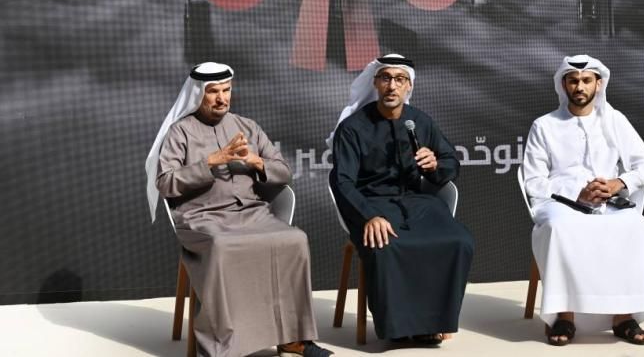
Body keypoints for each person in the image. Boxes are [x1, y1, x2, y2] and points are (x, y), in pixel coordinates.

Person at [144, 62, 331, 357]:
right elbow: (165, 183)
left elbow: (284, 172)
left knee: (295, 239)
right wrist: (210, 162)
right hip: (202, 218)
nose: (222, 98)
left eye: (227, 90)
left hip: (252, 214)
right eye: (213, 92)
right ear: (198, 94)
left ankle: (294, 338)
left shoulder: (248, 126)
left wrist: (255, 161)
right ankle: (223, 347)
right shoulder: (180, 132)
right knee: (222, 246)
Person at [327, 54, 474, 344]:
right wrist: (369, 216)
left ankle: (435, 321)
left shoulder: (420, 121)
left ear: (409, 86)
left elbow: (451, 163)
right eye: (385, 78)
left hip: (416, 201)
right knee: (386, 245)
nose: (392, 86)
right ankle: (399, 329)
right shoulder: (353, 127)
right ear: (375, 83)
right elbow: (341, 181)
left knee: (460, 241)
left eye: (399, 79)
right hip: (370, 203)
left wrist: (435, 165)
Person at [522, 54, 644, 346]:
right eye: (573, 81)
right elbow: (533, 181)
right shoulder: (544, 125)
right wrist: (576, 193)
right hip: (560, 204)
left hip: (608, 204)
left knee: (636, 228)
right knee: (561, 229)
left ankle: (623, 317)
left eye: (586, 80)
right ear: (564, 85)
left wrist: (618, 183)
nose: (580, 87)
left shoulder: (615, 120)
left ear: (599, 84)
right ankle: (564, 316)